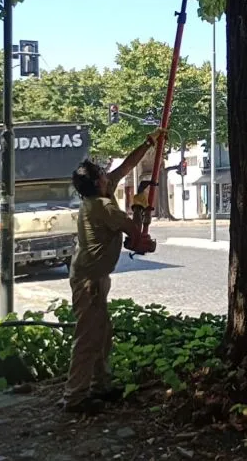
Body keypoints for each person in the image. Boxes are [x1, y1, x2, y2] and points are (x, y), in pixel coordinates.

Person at [60, 127, 165, 414]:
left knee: (103, 333)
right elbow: (136, 235)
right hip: (88, 281)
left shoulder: (100, 194)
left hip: (93, 277)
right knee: (88, 336)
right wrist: (140, 207)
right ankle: (75, 396)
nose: (110, 175)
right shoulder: (103, 207)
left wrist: (149, 143)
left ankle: (100, 386)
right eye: (103, 174)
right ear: (98, 183)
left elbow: (125, 166)